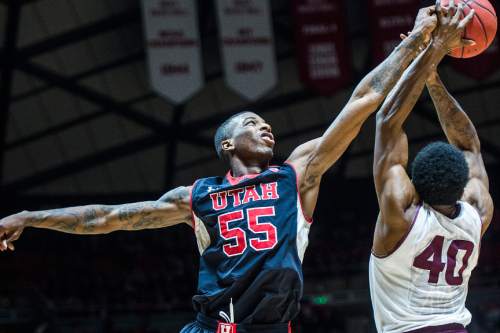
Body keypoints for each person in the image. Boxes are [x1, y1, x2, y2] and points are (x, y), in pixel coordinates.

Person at [0, 8, 437, 333]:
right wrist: (30, 217)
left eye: (266, 123)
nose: (266, 126)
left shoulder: (296, 175)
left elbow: (361, 102)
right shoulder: (198, 196)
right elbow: (110, 218)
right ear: (227, 144)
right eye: (252, 123)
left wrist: (414, 42)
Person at [369, 2, 493, 333]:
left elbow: (387, 122)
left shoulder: (402, 215)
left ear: (413, 186)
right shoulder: (476, 213)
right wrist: (434, 80)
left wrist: (432, 52)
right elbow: (469, 145)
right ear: (465, 183)